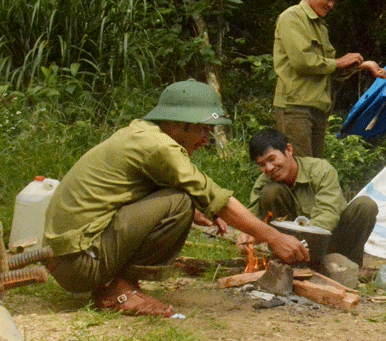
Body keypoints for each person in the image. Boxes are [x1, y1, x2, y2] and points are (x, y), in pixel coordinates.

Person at [43, 80, 309, 318]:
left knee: (187, 202)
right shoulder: (159, 147)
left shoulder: (141, 133)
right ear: (177, 124)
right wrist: (274, 237)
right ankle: (119, 290)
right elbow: (215, 197)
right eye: (203, 129)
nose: (206, 139)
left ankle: (115, 284)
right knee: (182, 201)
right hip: (79, 264)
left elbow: (132, 190)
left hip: (69, 256)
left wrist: (198, 211)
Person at [273, 0, 386, 158]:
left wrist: (364, 65)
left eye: (335, 0)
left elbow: (331, 68)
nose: (331, 4)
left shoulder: (321, 27)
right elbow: (302, 61)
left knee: (315, 169)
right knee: (300, 169)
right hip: (295, 107)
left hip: (318, 108)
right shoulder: (291, 17)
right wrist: (340, 61)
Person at [238, 128, 377, 269]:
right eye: (262, 164)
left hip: (329, 239)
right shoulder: (264, 183)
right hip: (289, 248)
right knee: (271, 191)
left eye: (272, 159)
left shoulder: (320, 170)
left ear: (289, 150)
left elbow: (328, 213)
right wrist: (246, 234)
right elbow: (251, 217)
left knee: (366, 205)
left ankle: (348, 267)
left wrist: (304, 244)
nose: (269, 168)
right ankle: (289, 262)